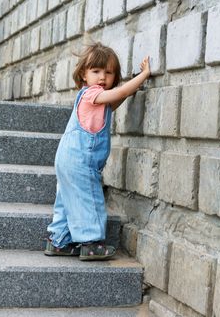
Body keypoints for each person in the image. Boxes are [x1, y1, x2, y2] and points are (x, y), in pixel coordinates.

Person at [45, 42, 150, 261]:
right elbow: (120, 91)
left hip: (67, 159)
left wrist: (131, 90)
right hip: (80, 161)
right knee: (88, 198)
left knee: (67, 200)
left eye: (108, 72)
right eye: (96, 71)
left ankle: (59, 241)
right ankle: (91, 243)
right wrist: (143, 76)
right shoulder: (91, 94)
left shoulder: (98, 100)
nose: (102, 77)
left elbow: (115, 101)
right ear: (84, 74)